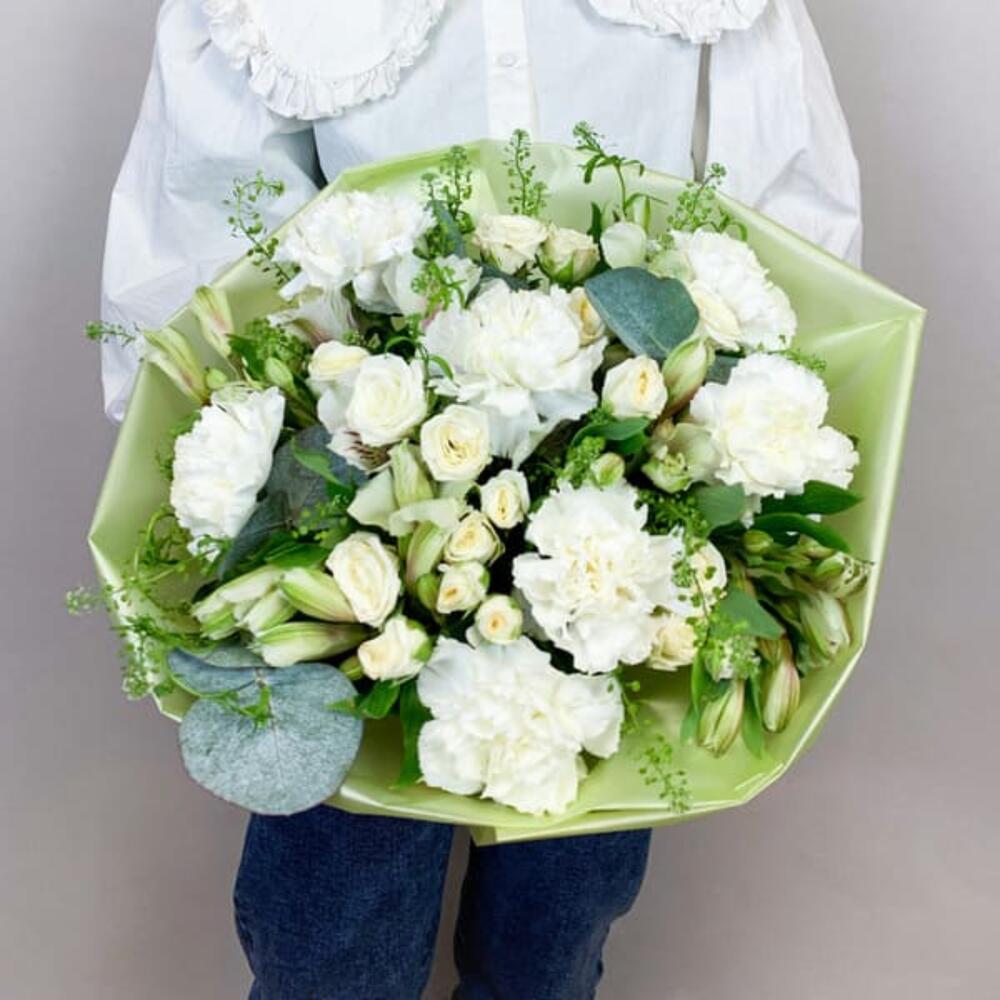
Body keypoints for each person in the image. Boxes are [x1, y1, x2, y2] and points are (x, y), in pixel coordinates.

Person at [99, 2, 861, 997]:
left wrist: (749, 431)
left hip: (625, 500)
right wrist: (240, 463)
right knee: (333, 920)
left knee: (561, 905)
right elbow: (205, 211)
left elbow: (782, 201)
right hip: (361, 500)